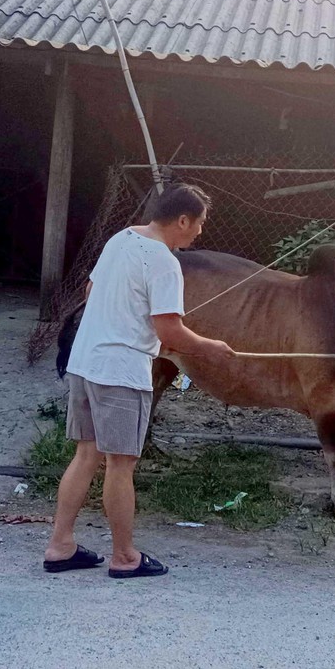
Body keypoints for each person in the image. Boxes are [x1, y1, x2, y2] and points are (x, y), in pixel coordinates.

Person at [43, 184, 234, 579]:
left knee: (86, 454)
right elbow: (170, 332)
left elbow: (92, 289)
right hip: (120, 372)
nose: (199, 232)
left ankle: (60, 546)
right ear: (182, 220)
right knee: (120, 464)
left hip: (85, 362)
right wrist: (212, 348)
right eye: (199, 224)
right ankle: (125, 556)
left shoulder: (121, 238)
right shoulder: (164, 261)